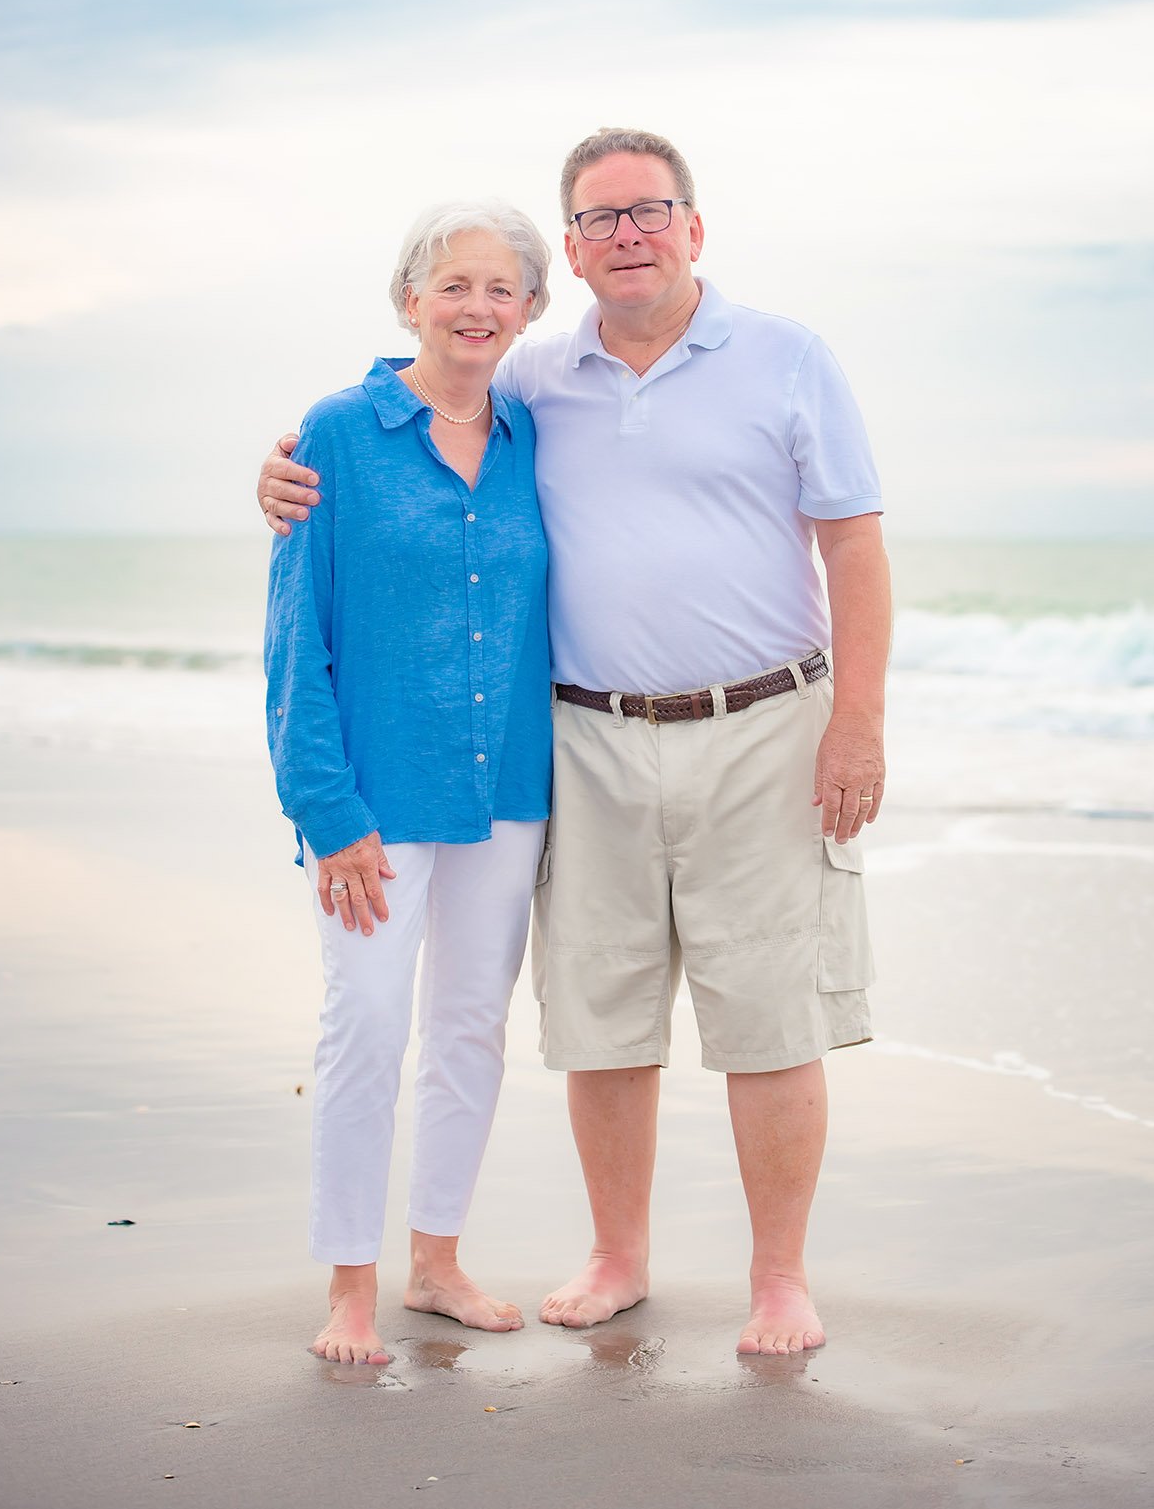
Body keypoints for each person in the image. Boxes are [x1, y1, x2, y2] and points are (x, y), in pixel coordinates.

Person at [259, 129, 891, 1356]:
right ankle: (601, 1259)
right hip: (577, 747)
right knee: (590, 1018)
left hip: (739, 733)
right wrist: (280, 468)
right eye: (598, 220)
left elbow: (853, 542)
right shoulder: (516, 386)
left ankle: (775, 1281)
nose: (626, 235)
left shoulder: (767, 362)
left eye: (647, 211)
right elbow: (398, 420)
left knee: (758, 1021)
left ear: (692, 225)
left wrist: (858, 722)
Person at [266, 202, 556, 1367]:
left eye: (501, 289)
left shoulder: (537, 434)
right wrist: (326, 814)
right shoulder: (336, 434)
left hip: (510, 795)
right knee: (366, 1026)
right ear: (409, 300)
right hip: (374, 805)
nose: (477, 307)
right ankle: (348, 1288)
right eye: (454, 285)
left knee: (470, 1029)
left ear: (530, 311)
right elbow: (297, 645)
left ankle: (435, 1263)